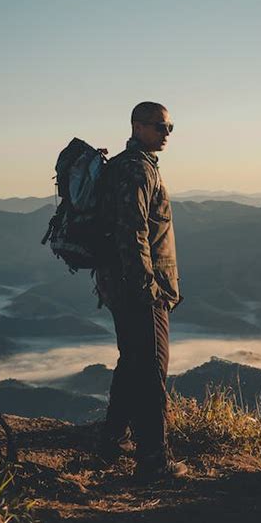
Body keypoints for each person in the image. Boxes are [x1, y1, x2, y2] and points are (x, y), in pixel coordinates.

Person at [96, 101, 188, 481]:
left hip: (121, 284)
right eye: (158, 127)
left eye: (169, 127)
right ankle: (154, 459)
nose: (166, 134)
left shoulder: (128, 165)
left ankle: (113, 441)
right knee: (152, 368)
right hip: (139, 288)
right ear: (137, 126)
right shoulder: (137, 169)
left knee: (133, 360)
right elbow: (133, 231)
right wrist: (148, 286)